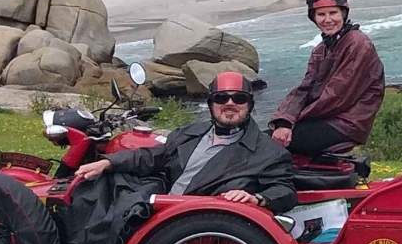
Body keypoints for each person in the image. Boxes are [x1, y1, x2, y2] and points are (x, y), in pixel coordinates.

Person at [74, 71, 298, 214]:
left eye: (239, 98)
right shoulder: (190, 132)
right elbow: (152, 156)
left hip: (194, 223)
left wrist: (257, 198)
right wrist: (107, 163)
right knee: (99, 187)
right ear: (211, 104)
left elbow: (285, 191)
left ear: (249, 105)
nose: (230, 103)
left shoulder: (269, 152)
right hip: (159, 206)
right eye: (221, 98)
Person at [268, 0, 386, 156]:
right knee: (261, 138)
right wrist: (284, 120)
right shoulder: (321, 49)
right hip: (325, 119)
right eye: (321, 14)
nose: (328, 19)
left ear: (343, 14)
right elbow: (304, 89)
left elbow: (337, 96)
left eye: (333, 13)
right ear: (314, 18)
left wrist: (295, 121)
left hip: (346, 125)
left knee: (265, 144)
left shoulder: (358, 44)